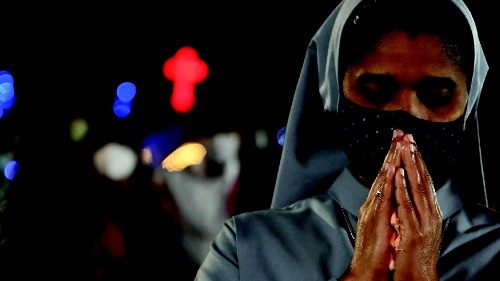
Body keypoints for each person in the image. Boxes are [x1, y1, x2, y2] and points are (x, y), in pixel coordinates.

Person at [195, 0, 500, 280]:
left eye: (437, 95)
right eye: (376, 90)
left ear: (468, 103)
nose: (407, 115)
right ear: (335, 97)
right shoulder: (250, 248)